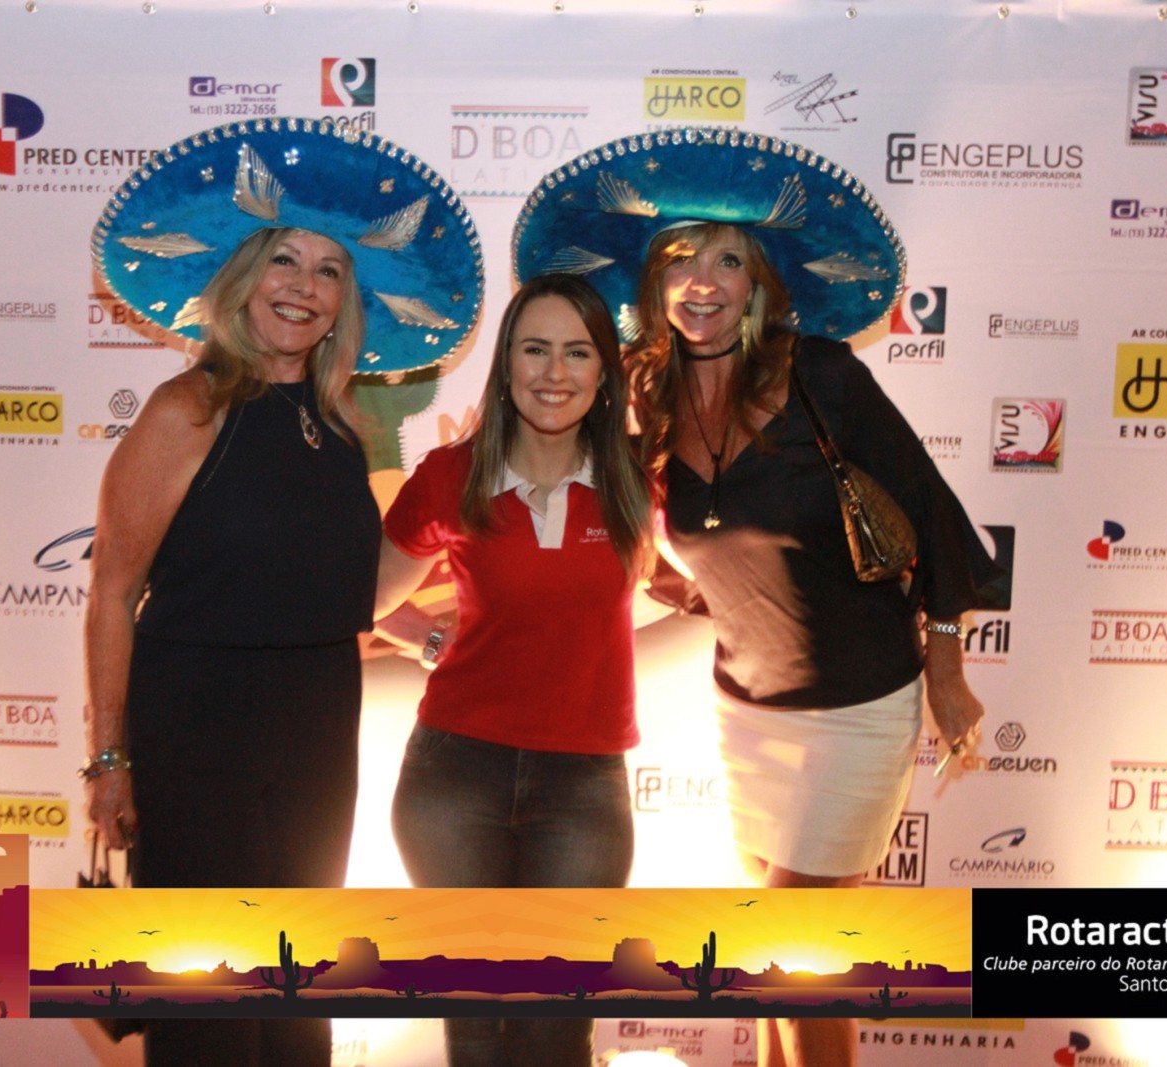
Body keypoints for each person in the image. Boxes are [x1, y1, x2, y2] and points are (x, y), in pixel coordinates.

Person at [515, 129, 1002, 1067]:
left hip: (858, 706)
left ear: (760, 284)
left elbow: (937, 517)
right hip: (745, 710)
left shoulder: (822, 377)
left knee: (793, 951)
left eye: (728, 260)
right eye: (680, 260)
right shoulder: (648, 394)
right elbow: (631, 535)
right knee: (776, 960)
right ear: (654, 281)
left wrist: (947, 672)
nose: (702, 281)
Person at [82, 118, 483, 1067]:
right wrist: (108, 761)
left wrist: (444, 618)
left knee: (300, 991)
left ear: (347, 301)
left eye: (329, 270)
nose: (304, 286)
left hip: (315, 725)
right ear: (243, 276)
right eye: (284, 260)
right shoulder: (188, 410)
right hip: (198, 724)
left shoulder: (337, 424)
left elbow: (339, 590)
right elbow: (111, 592)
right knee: (211, 997)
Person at [374, 274, 653, 1067]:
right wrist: (430, 640)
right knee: (475, 1030)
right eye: (535, 349)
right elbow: (363, 595)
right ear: (506, 364)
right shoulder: (451, 474)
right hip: (454, 775)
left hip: (584, 787)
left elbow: (719, 569)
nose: (554, 372)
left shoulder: (640, 479)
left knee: (555, 1030)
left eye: (577, 352)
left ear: (604, 372)